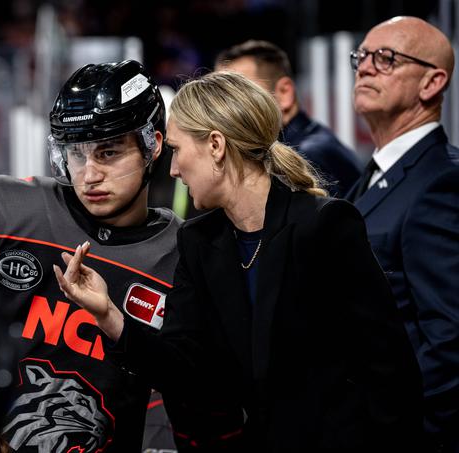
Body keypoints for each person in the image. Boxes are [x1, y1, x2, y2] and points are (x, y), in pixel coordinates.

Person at [55, 71, 424, 452]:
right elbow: (186, 369)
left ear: (215, 145)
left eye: (178, 150)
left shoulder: (324, 225)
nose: (174, 170)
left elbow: (389, 372)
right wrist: (109, 317)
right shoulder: (199, 241)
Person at [0, 60, 182, 452]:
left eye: (108, 152)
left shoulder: (184, 256)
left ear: (152, 145)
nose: (89, 175)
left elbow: (180, 396)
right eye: (76, 153)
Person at [346, 16, 459, 453]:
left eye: (386, 58)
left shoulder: (441, 184)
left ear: (432, 82)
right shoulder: (374, 176)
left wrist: (391, 426)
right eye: (363, 56)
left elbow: (450, 341)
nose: (366, 67)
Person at [215, 40, 362, 198]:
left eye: (238, 93)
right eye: (219, 97)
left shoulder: (307, 156)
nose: (223, 109)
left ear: (284, 93)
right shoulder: (302, 147)